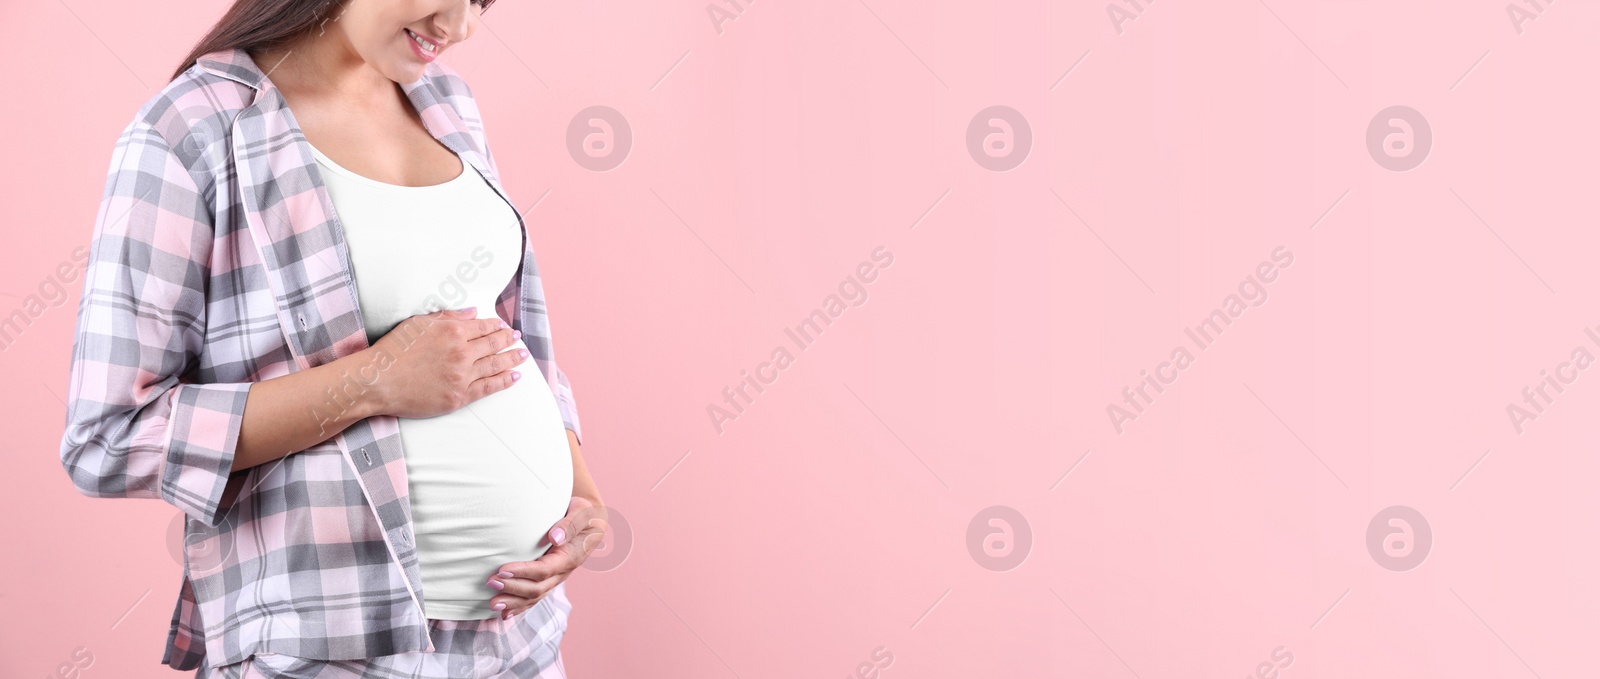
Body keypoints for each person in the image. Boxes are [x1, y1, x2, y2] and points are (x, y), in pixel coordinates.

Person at [57, 1, 607, 676]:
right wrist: (369, 382)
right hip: (330, 648)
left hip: (517, 640)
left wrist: (579, 494)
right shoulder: (193, 131)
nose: (459, 26)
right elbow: (109, 436)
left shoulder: (446, 102)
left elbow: (515, 332)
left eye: (480, 1)